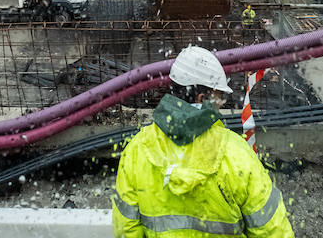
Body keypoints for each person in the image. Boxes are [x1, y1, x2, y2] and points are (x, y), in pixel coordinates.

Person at [112, 46, 294, 237]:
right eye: (219, 96)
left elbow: (126, 229)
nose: (222, 102)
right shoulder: (236, 155)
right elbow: (273, 231)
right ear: (202, 98)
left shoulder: (137, 150)